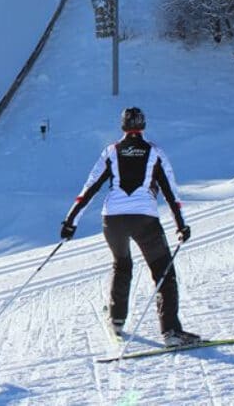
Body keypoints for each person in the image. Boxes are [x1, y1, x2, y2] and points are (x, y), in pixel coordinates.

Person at [60, 107, 199, 347]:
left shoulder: (111, 151)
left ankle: (116, 320)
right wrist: (181, 225)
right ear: (143, 126)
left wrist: (70, 221)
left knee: (121, 264)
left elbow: (89, 188)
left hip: (112, 220)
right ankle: (171, 332)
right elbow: (170, 192)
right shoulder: (155, 152)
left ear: (122, 126)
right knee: (163, 271)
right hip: (144, 218)